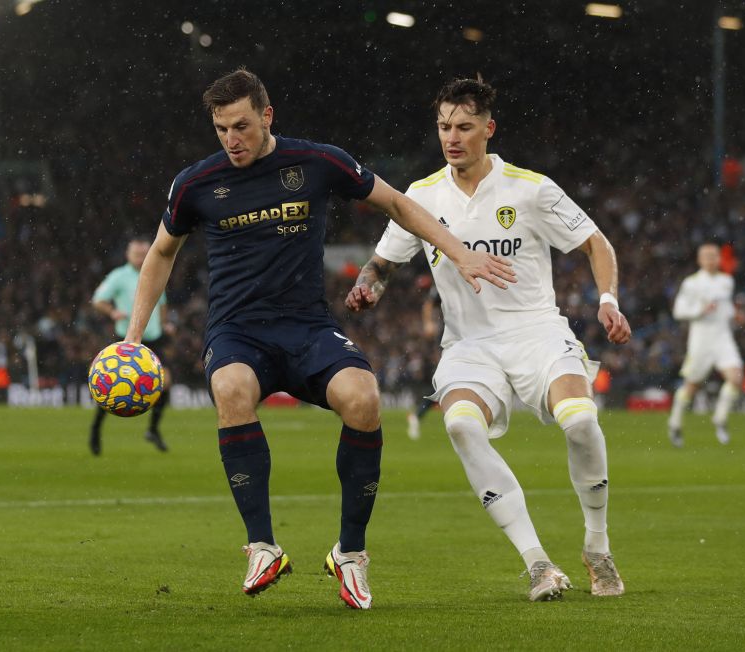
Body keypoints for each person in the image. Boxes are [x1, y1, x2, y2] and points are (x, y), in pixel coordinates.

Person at [122, 69, 514, 610]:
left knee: (364, 398)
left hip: (307, 327)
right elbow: (162, 252)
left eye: (241, 126)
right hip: (237, 331)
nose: (231, 140)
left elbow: (399, 205)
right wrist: (132, 338)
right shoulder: (195, 183)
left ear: (267, 116)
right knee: (232, 389)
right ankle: (262, 545)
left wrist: (460, 250)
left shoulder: (317, 162)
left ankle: (350, 555)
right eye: (220, 129)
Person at [346, 77, 631, 601]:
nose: (451, 138)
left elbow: (596, 243)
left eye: (464, 127)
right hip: (469, 346)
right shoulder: (421, 198)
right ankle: (538, 563)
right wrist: (368, 287)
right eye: (443, 127)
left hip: (538, 332)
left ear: (488, 129)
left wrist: (607, 300)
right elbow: (381, 265)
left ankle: (597, 545)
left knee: (581, 420)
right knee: (460, 426)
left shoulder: (530, 188)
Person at [90, 236, 171, 456]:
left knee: (166, 383)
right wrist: (112, 312)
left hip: (153, 339)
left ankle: (153, 430)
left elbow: (162, 303)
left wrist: (165, 324)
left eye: (144, 254)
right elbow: (98, 299)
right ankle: (96, 429)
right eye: (137, 254)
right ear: (128, 254)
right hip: (126, 342)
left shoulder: (155, 270)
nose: (141, 258)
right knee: (113, 386)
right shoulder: (119, 276)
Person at [667, 243, 744, 447]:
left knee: (735, 377)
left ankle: (720, 419)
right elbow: (678, 311)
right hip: (701, 340)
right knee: (691, 386)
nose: (711, 259)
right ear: (699, 260)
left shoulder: (727, 281)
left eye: (714, 255)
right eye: (707, 256)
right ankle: (675, 423)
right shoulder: (691, 283)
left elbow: (726, 307)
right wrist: (701, 309)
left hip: (723, 337)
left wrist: (735, 315)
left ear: (719, 259)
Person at [406, 286, 442, 440]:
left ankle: (417, 414)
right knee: (442, 382)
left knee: (441, 384)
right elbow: (429, 303)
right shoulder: (445, 276)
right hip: (452, 338)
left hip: (469, 338)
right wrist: (428, 323)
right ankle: (417, 414)